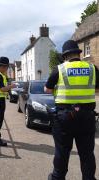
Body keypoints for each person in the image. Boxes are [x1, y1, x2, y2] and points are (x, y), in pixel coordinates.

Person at [44, 40, 99, 180]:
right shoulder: (92, 68)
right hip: (87, 116)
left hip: (65, 117)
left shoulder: (60, 69)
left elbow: (47, 89)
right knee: (87, 153)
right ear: (78, 54)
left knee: (62, 152)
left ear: (65, 56)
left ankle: (57, 177)